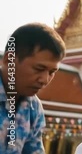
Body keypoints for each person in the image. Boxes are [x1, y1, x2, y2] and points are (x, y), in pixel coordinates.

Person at [0, 22, 66, 154]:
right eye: (39, 69)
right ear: (10, 59)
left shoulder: (33, 108)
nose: (45, 80)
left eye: (52, 72)